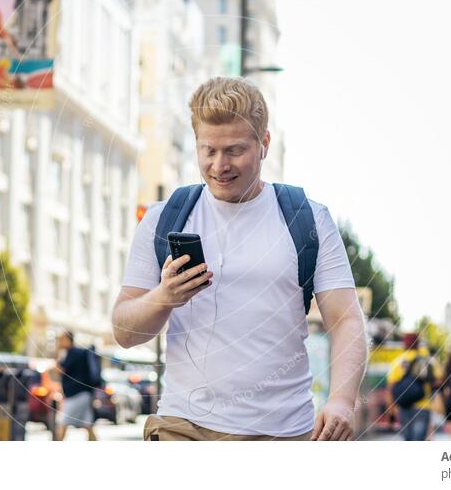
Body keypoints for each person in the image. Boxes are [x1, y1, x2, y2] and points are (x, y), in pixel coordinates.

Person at [112, 77, 367, 441]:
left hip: (281, 435)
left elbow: (345, 320)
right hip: (182, 428)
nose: (219, 165)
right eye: (208, 150)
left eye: (234, 150)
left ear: (264, 144)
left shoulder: (307, 219)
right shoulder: (163, 218)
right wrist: (164, 297)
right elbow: (124, 332)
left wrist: (343, 400)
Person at [386, 332, 443, 441]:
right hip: (423, 406)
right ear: (418, 344)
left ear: (404, 345)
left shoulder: (398, 362)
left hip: (403, 406)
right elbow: (439, 380)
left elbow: (390, 388)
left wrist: (390, 409)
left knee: (408, 439)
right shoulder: (427, 361)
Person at [54, 331, 98, 441]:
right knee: (88, 426)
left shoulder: (72, 353)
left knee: (62, 423)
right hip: (85, 394)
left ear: (68, 340)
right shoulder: (80, 353)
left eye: (61, 339)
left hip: (75, 396)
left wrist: (58, 351)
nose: (59, 342)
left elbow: (59, 369)